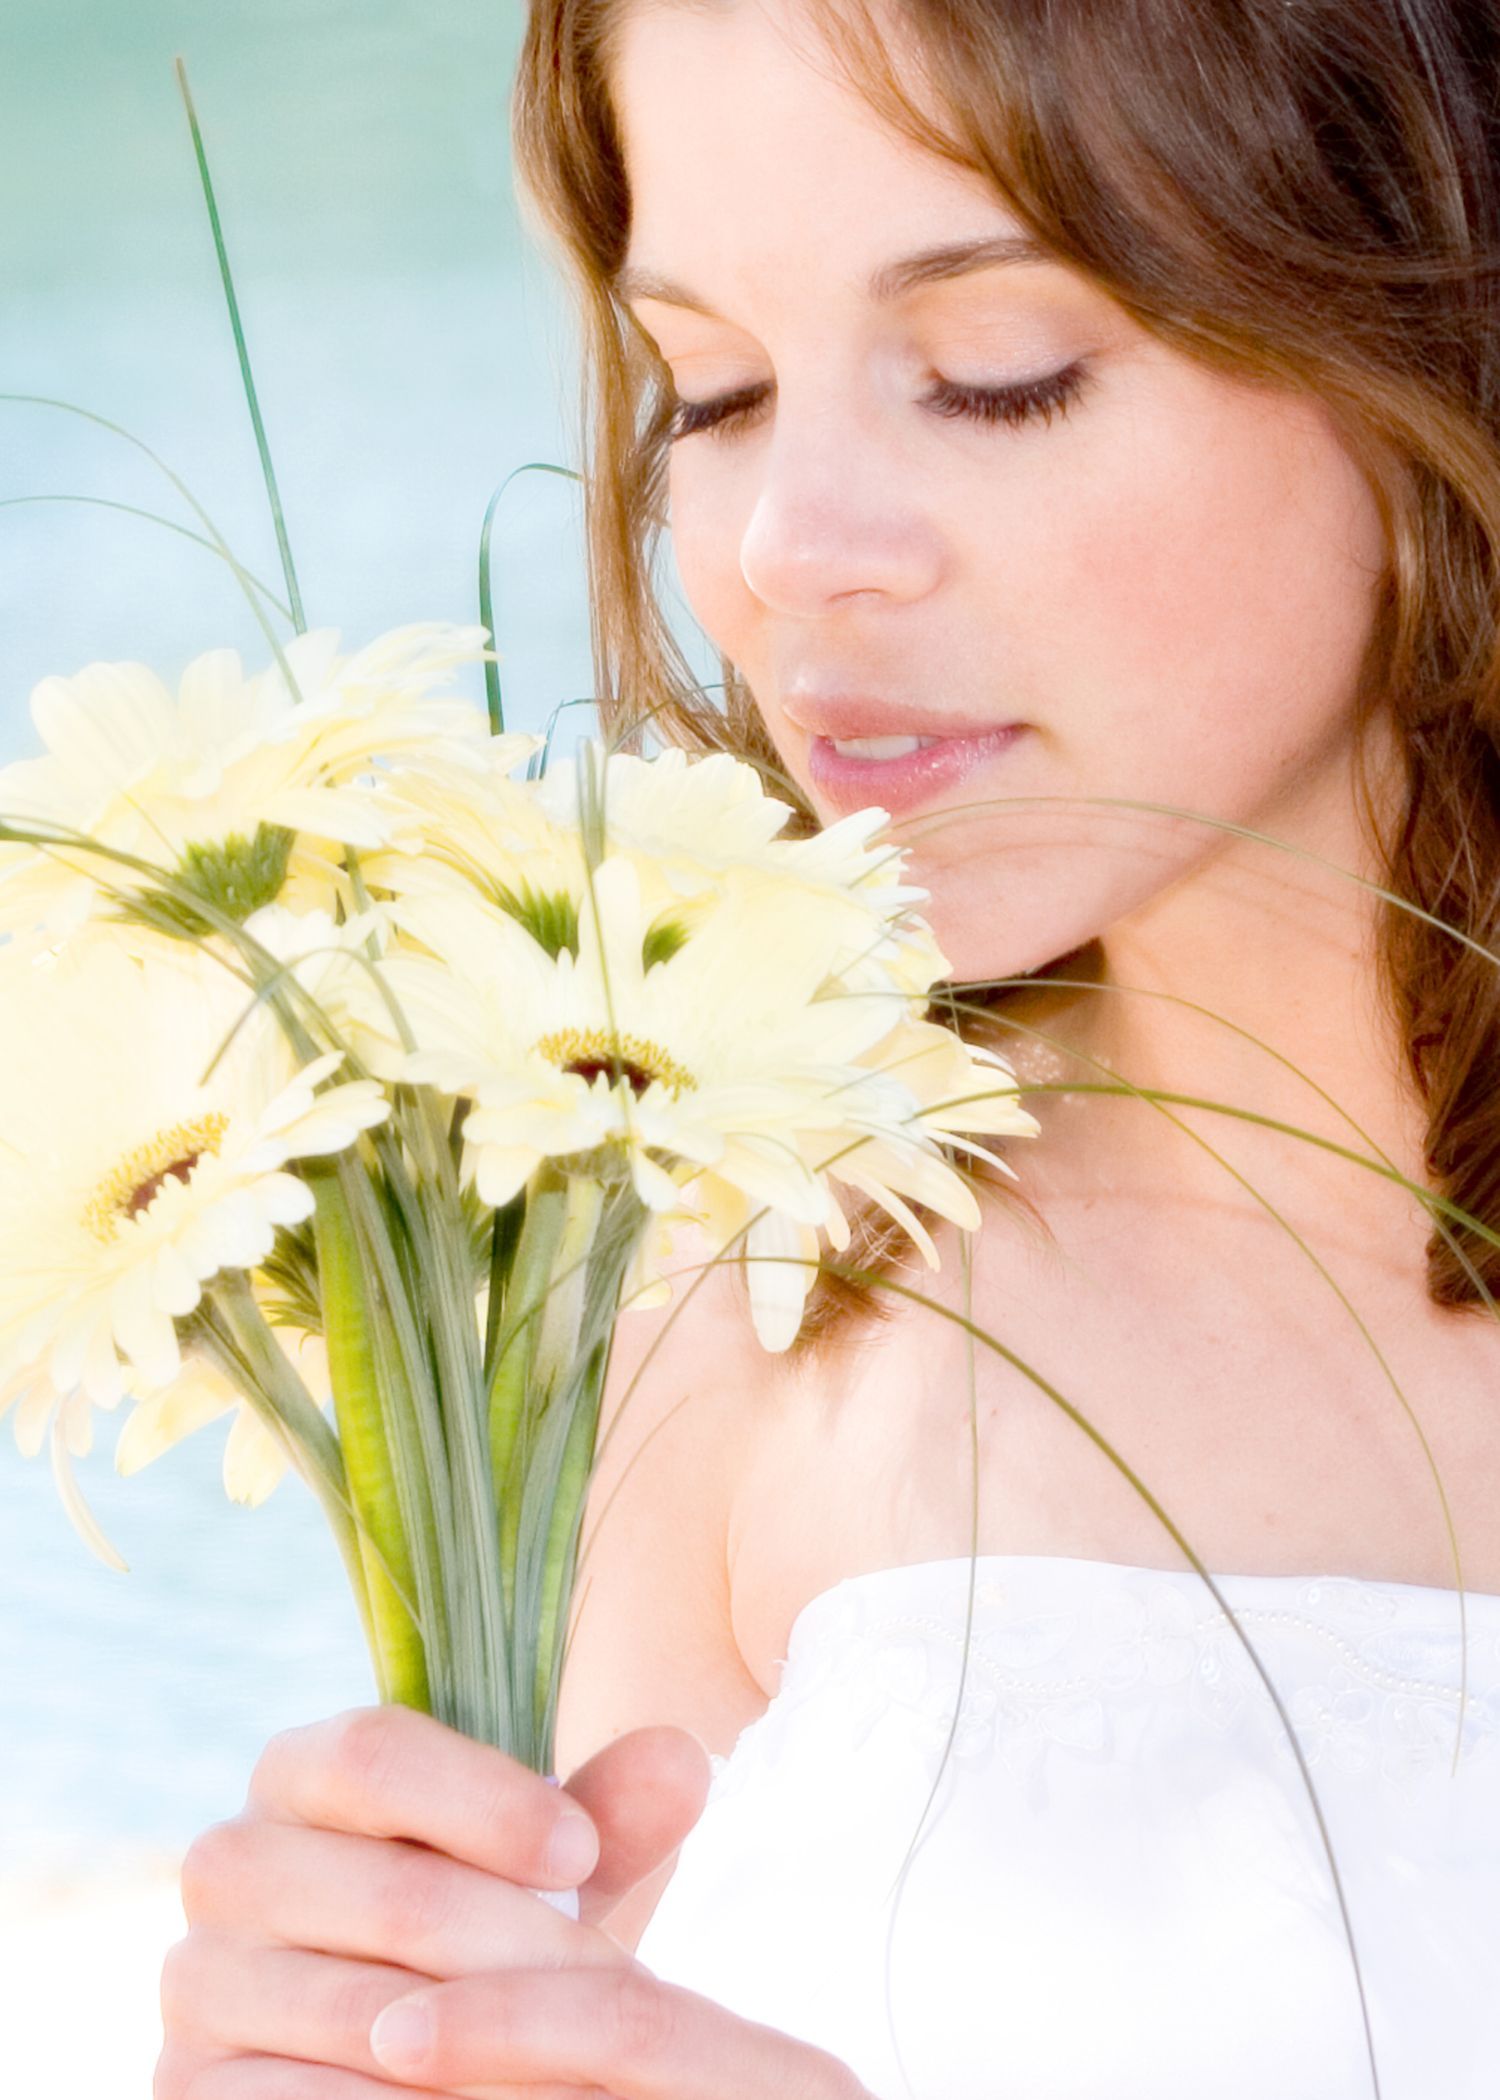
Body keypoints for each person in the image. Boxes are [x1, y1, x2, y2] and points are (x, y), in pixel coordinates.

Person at [153, 0, 1500, 2094]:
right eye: (715, 391)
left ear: (1434, 312)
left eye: (1000, 376)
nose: (789, 552)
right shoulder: (743, 1290)